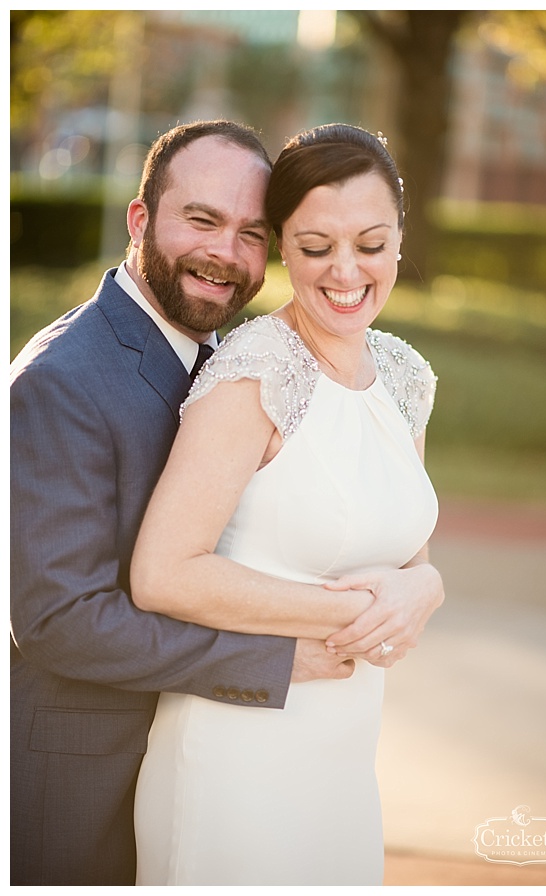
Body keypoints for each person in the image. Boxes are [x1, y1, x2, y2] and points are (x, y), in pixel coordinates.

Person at [9, 120, 359, 886]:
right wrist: (271, 658)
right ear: (141, 220)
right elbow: (58, 622)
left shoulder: (232, 364)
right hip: (85, 781)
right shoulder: (60, 381)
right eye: (201, 220)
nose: (225, 255)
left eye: (251, 233)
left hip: (205, 769)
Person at [128, 122, 441, 886]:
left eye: (370, 243)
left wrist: (428, 586)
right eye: (313, 246)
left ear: (401, 240)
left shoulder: (406, 377)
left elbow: (407, 557)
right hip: (234, 755)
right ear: (280, 251)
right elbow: (163, 574)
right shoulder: (253, 374)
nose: (345, 271)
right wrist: (355, 614)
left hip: (343, 754)